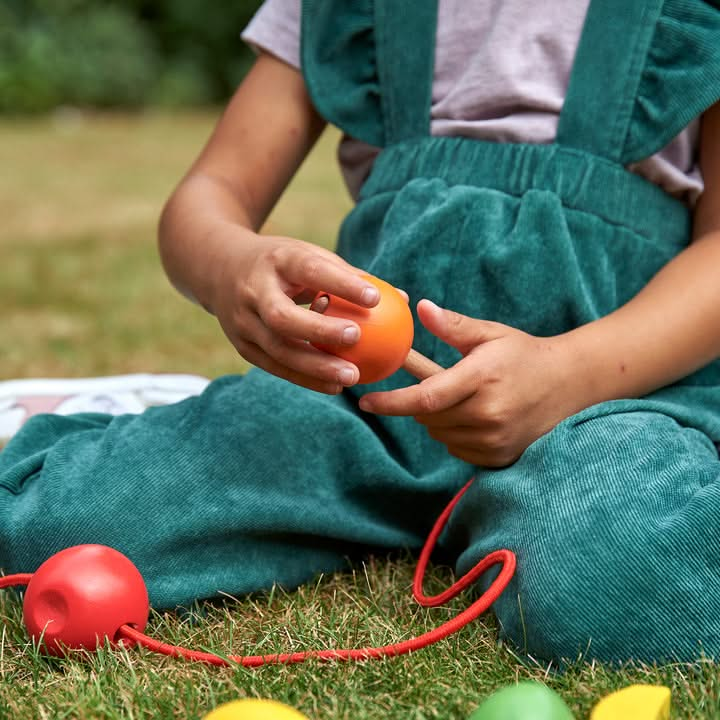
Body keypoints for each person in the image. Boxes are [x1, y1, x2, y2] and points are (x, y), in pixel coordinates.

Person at [1, 0, 720, 664]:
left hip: (607, 405)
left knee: (618, 580)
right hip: (358, 410)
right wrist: (230, 268)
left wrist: (569, 376)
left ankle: (545, 508)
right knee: (46, 533)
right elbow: (208, 195)